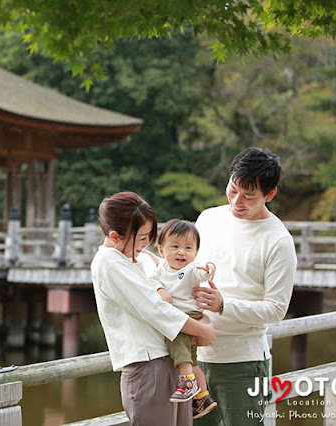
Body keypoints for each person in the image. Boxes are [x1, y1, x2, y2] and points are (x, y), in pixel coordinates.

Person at [91, 191, 216, 426]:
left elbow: (175, 286)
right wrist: (203, 330)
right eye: (140, 238)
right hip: (146, 366)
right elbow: (155, 309)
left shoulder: (139, 258)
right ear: (115, 236)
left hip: (169, 361)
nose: (146, 244)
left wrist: (205, 320)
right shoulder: (108, 263)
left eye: (149, 237)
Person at [191, 148, 297, 426]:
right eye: (233, 189)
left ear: (269, 195)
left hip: (242, 363)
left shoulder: (278, 241)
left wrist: (223, 306)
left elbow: (276, 310)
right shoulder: (208, 219)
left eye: (249, 196)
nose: (237, 201)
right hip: (194, 357)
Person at [149, 219, 218, 419]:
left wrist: (209, 267)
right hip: (180, 316)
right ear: (162, 251)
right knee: (192, 358)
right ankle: (204, 396)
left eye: (188, 248)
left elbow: (201, 273)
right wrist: (160, 289)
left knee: (175, 336)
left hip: (188, 316)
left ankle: (187, 381)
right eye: (176, 247)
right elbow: (152, 279)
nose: (182, 252)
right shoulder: (162, 269)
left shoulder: (190, 269)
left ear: (196, 252)